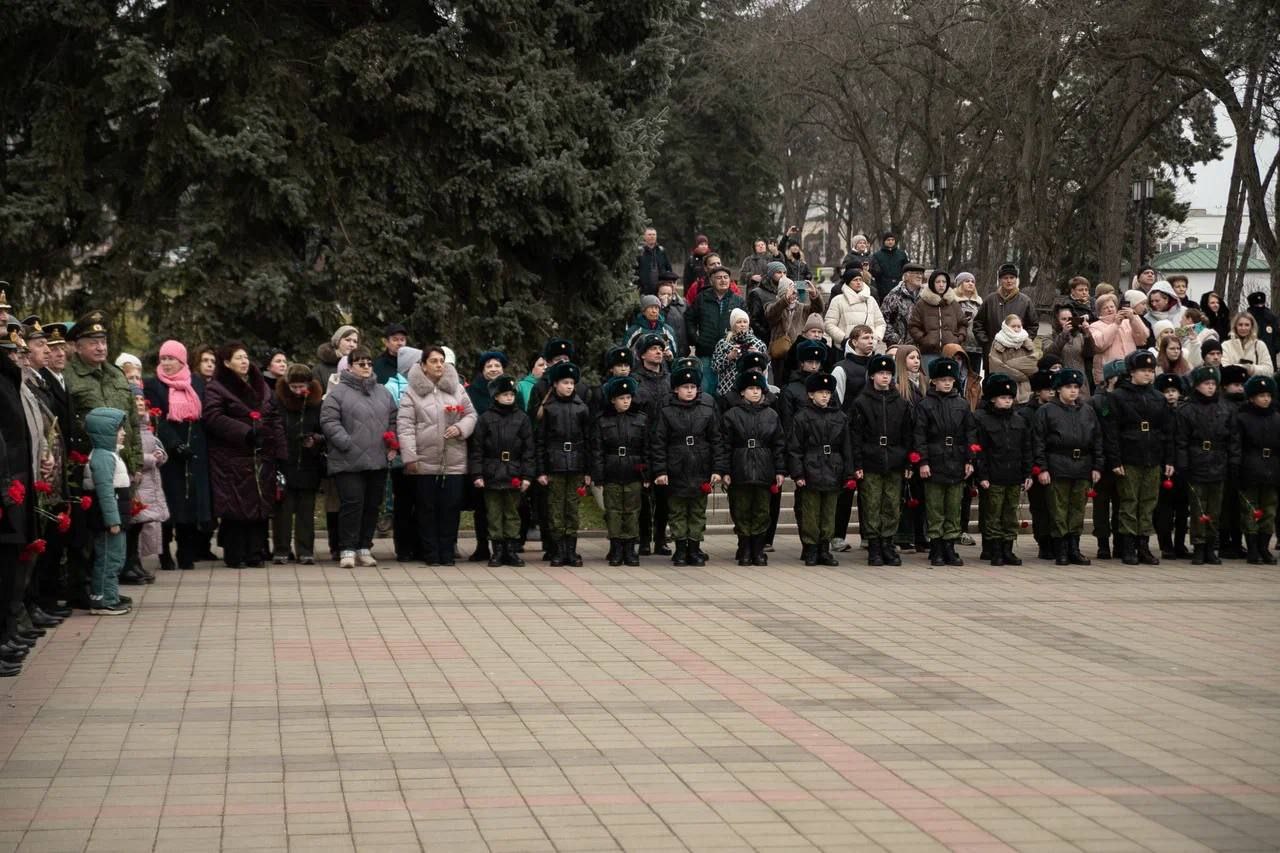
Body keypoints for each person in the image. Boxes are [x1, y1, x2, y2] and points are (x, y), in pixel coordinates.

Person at [204, 342, 282, 568]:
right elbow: (213, 417)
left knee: (259, 504)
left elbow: (274, 414)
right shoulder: (217, 387)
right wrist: (245, 431)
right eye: (238, 358)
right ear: (227, 363)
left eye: (246, 357)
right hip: (232, 455)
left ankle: (255, 552)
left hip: (261, 453)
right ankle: (235, 553)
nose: (244, 361)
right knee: (236, 506)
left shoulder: (261, 385)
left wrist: (277, 445)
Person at [399, 346, 477, 566]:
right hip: (425, 461)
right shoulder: (412, 392)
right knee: (427, 509)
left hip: (453, 460)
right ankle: (431, 554)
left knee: (450, 508)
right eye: (433, 361)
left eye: (441, 360)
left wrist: (460, 428)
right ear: (423, 366)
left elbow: (471, 415)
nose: (439, 365)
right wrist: (410, 457)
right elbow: (405, 426)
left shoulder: (457, 389)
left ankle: (447, 552)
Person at [144, 341, 212, 571]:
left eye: (171, 359)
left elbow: (205, 415)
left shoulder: (196, 382)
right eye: (163, 359)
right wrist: (175, 444)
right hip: (168, 453)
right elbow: (157, 418)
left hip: (195, 450)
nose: (166, 363)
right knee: (169, 503)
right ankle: (164, 553)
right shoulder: (154, 385)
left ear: (182, 361)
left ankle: (186, 553)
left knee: (190, 502)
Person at [1103, 351, 1173, 566]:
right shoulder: (1118, 397)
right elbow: (1111, 431)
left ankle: (1143, 545)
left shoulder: (1158, 398)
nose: (1148, 374)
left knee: (1149, 502)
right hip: (1129, 456)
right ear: (1132, 372)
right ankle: (1128, 546)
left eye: (1151, 371)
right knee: (1129, 502)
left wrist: (1169, 460)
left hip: (1153, 456)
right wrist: (1115, 460)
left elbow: (1167, 431)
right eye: (1143, 370)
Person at [652, 364, 725, 566]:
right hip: (676, 467)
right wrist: (660, 470)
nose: (690, 391)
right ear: (676, 389)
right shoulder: (666, 410)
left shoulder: (707, 408)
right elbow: (659, 442)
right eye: (685, 387)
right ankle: (681, 549)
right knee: (677, 511)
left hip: (701, 466)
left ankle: (694, 547)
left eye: (693, 387)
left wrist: (718, 469)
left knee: (697, 511)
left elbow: (717, 439)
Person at [1033, 368, 1103, 566]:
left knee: (1077, 509)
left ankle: (1074, 547)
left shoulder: (1087, 410)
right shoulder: (1046, 411)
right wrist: (1042, 468)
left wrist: (1097, 466)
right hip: (1058, 465)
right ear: (1058, 389)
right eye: (1068, 387)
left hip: (1082, 465)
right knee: (1059, 509)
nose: (1073, 391)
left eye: (1076, 387)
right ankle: (1061, 548)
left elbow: (1097, 439)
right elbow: (1038, 441)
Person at [849, 354, 912, 567]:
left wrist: (908, 462)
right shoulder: (861, 402)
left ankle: (888, 543)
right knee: (871, 503)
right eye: (881, 373)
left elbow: (907, 434)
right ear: (872, 376)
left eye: (888, 374)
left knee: (892, 504)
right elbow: (855, 436)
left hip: (894, 459)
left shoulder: (900, 403)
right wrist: (857, 464)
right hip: (871, 459)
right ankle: (874, 545)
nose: (885, 377)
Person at [913, 358, 976, 567]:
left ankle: (950, 545)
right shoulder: (925, 405)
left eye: (950, 379)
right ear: (934, 381)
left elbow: (970, 433)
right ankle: (936, 546)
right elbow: (919, 435)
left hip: (956, 459)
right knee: (935, 506)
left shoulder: (962, 404)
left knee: (953, 506)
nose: (947, 383)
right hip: (934, 459)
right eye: (942, 379)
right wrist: (923, 461)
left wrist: (969, 459)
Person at [1176, 365, 1239, 565]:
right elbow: (1181, 441)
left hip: (1219, 460)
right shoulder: (1187, 409)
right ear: (1196, 385)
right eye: (1206, 383)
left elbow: (1233, 439)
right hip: (1197, 461)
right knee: (1198, 507)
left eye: (1213, 383)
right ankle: (1199, 544)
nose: (1210, 387)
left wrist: (1233, 462)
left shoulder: (1226, 408)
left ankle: (1211, 545)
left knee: (1215, 508)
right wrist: (1183, 465)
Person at [469, 374, 534, 567]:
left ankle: (511, 550)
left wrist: (527, 475)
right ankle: (497, 550)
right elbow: (477, 449)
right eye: (505, 394)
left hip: (514, 471)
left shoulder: (522, 418)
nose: (509, 398)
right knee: (494, 513)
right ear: (496, 396)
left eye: (511, 394)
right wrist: (477, 474)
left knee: (512, 512)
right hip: (492, 472)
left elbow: (528, 450)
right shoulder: (485, 419)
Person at [721, 370, 785, 566]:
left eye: (758, 388)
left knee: (761, 510)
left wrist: (780, 470)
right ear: (742, 392)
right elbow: (724, 445)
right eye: (751, 388)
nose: (755, 392)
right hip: (740, 466)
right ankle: (744, 547)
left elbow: (779, 444)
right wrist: (725, 471)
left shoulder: (771, 415)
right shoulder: (732, 415)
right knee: (741, 509)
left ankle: (758, 548)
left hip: (764, 467)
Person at [786, 372, 850, 566]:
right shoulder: (802, 417)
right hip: (811, 467)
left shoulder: (840, 416)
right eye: (820, 392)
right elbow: (795, 448)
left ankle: (824, 548)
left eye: (828, 393)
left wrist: (848, 472)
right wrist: (798, 473)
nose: (824, 396)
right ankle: (811, 548)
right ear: (811, 394)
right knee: (810, 512)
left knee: (829, 512)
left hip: (833, 468)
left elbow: (846, 447)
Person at [534, 361, 591, 567]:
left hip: (576, 465)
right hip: (555, 464)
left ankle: (571, 551)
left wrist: (588, 471)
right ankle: (557, 550)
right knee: (556, 508)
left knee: (572, 508)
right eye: (565, 382)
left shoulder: (581, 408)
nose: (569, 386)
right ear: (555, 384)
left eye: (571, 383)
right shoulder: (548, 409)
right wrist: (541, 470)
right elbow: (540, 442)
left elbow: (588, 441)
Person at [973, 374, 1032, 566]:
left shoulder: (1019, 420)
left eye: (1009, 398)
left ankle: (1008, 549)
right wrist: (982, 475)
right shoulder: (983, 419)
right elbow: (980, 451)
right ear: (993, 399)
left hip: (1013, 475)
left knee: (1010, 514)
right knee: (993, 514)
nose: (1007, 401)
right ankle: (995, 549)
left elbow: (1026, 449)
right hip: (993, 476)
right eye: (1002, 397)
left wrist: (1027, 473)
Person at [268, 363, 325, 565]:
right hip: (284, 462)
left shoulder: (316, 404)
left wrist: (315, 440)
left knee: (306, 511)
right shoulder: (277, 401)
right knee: (282, 510)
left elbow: (324, 430)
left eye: (302, 386)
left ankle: (305, 550)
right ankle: (281, 549)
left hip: (309, 463)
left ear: (309, 385)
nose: (299, 391)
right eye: (294, 387)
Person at [82, 407, 131, 615]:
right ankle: (103, 599)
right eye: (119, 429)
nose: (124, 433)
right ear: (106, 432)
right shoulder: (103, 457)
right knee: (108, 559)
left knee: (115, 557)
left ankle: (110, 594)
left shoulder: (109, 454)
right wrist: (113, 521)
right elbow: (105, 492)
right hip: (108, 520)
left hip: (115, 517)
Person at [465, 350, 510, 562]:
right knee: (482, 505)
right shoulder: (472, 392)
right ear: (482, 370)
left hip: (508, 456)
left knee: (507, 504)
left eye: (497, 366)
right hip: (482, 455)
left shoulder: (510, 390)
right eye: (489, 366)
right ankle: (482, 545)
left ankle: (505, 547)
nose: (493, 369)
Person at [1237, 376, 1280, 564]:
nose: (1266, 399)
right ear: (1252, 398)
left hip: (1272, 469)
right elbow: (1237, 446)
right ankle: (1253, 548)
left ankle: (1264, 547)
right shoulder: (1243, 418)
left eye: (1268, 395)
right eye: (1261, 396)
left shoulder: (1277, 418)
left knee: (1269, 509)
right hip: (1250, 467)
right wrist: (1238, 468)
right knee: (1251, 509)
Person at [687, 266, 746, 395]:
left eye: (726, 277)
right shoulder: (702, 298)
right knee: (706, 389)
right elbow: (689, 319)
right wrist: (696, 339)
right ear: (711, 280)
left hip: (730, 353)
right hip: (706, 351)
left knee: (729, 392)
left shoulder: (738, 300)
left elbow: (745, 324)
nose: (723, 280)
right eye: (719, 278)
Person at [1153, 373, 1189, 559]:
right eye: (1166, 391)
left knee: (1182, 508)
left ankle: (1180, 544)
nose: (1171, 395)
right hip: (1163, 465)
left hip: (1183, 465)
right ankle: (1166, 545)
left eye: (1174, 390)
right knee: (1164, 508)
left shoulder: (1185, 411)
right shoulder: (1158, 413)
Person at [973, 263, 1038, 363]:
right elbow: (978, 323)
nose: (1009, 281)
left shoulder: (1025, 301)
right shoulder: (990, 300)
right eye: (1005, 278)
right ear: (1000, 280)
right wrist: (987, 343)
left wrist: (1022, 343)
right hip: (993, 353)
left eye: (1012, 277)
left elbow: (1033, 326)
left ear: (1016, 279)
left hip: (1017, 355)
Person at [765, 279, 826, 377]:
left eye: (795, 293)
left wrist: (814, 295)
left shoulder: (802, 308)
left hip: (797, 353)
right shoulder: (774, 306)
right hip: (780, 352)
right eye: (791, 293)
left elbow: (818, 309)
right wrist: (785, 299)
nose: (793, 296)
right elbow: (771, 315)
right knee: (779, 379)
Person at [1088, 294, 1148, 386]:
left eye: (1112, 306)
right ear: (1099, 311)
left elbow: (1143, 338)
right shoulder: (1094, 326)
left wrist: (1134, 318)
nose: (1110, 309)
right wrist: (1115, 324)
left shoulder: (1127, 322)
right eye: (1105, 308)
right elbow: (1100, 345)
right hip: (1108, 374)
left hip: (1130, 371)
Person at [908, 270, 966, 366]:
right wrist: (924, 339)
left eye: (944, 282)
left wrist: (958, 338)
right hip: (928, 352)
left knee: (948, 376)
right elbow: (913, 326)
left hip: (950, 351)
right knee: (929, 375)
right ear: (932, 283)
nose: (941, 285)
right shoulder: (922, 304)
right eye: (938, 282)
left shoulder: (953, 303)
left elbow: (963, 324)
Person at [824, 268, 886, 350]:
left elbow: (880, 323)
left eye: (860, 279)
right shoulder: (838, 300)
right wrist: (844, 339)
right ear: (848, 282)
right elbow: (829, 324)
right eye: (855, 280)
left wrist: (875, 338)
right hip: (845, 349)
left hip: (869, 349)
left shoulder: (871, 300)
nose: (858, 282)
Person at [711, 308, 766, 398]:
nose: (742, 325)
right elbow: (714, 367)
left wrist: (757, 355)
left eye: (745, 322)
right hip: (728, 389)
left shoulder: (758, 344)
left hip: (750, 390)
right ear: (733, 324)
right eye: (739, 322)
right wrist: (729, 357)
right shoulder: (723, 343)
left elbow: (765, 368)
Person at [987, 314, 1039, 403]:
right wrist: (1023, 376)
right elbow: (996, 369)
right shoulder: (998, 343)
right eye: (1013, 326)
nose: (1016, 329)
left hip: (1025, 389)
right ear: (1006, 327)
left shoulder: (1027, 342)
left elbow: (1034, 366)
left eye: (1019, 326)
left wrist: (1009, 364)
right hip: (1005, 391)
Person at [1045, 305, 1094, 396]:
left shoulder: (1079, 336)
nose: (1067, 322)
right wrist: (1063, 335)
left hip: (1080, 381)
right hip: (1061, 382)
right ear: (1057, 321)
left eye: (1069, 318)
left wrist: (1087, 335)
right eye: (1064, 319)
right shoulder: (1049, 337)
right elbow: (1049, 354)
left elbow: (1089, 354)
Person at [880, 262, 925, 348]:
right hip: (900, 347)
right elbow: (883, 320)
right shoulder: (894, 295)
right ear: (906, 276)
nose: (920, 276)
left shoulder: (925, 296)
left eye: (921, 274)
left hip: (922, 346)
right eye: (916, 273)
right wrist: (895, 339)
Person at [623, 295, 679, 360]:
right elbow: (625, 354)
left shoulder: (667, 330)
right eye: (651, 308)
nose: (654, 311)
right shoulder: (634, 331)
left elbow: (675, 354)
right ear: (643, 311)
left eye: (656, 308)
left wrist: (670, 356)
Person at [1222, 311, 1273, 376]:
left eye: (1247, 325)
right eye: (1240, 325)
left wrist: (1252, 369)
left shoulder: (1260, 345)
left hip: (1254, 381)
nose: (1243, 328)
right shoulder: (1226, 345)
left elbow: (1269, 370)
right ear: (1235, 326)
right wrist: (1242, 367)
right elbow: (1224, 367)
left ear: (1252, 326)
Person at [954, 273, 985, 374]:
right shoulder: (952, 301)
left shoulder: (979, 302)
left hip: (976, 346)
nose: (970, 283)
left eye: (972, 281)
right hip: (959, 345)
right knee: (957, 377)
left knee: (974, 377)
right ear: (960, 284)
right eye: (967, 281)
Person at [315, 325, 359, 389]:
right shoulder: (319, 369)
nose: (352, 344)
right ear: (337, 342)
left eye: (355, 341)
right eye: (348, 340)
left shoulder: (362, 367)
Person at [635, 227, 673, 297]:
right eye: (649, 234)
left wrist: (668, 283)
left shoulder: (661, 251)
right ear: (644, 237)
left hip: (661, 289)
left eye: (654, 234)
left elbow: (669, 268)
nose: (652, 236)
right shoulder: (639, 252)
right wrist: (638, 284)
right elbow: (635, 270)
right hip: (645, 289)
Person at [656, 275, 689, 356]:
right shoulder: (655, 308)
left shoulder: (683, 303)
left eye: (674, 282)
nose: (666, 296)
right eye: (663, 294)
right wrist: (663, 307)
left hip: (682, 350)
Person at [869, 230, 909, 297]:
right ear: (884, 241)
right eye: (888, 240)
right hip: (883, 288)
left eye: (892, 240)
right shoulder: (877, 255)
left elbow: (906, 268)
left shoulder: (902, 254)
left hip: (899, 286)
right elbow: (875, 272)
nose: (890, 242)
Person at [1247, 291, 1280, 358]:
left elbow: (1277, 334)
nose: (1260, 307)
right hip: (1249, 354)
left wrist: (1275, 349)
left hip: (1269, 354)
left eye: (1261, 304)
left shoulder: (1271, 317)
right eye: (1257, 305)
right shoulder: (1246, 318)